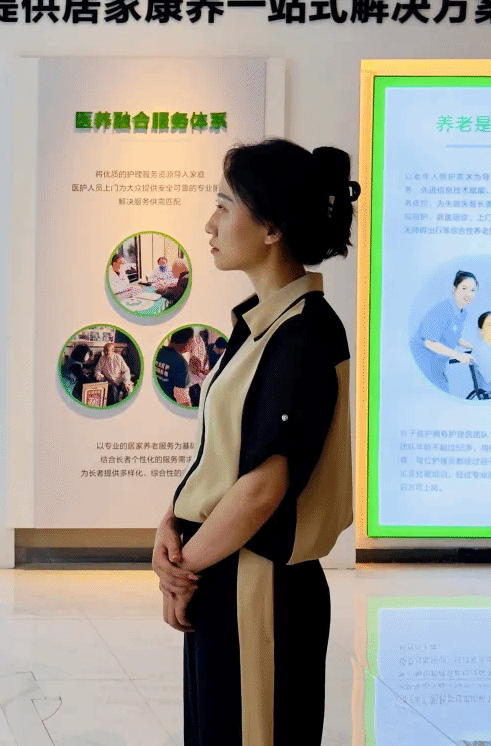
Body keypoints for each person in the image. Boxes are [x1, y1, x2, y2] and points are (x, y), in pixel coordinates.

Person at [152, 139, 357, 746]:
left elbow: (265, 486)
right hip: (223, 571)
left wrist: (182, 567)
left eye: (223, 205)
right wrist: (171, 526)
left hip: (256, 584)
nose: (209, 224)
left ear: (271, 228)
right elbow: (224, 455)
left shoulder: (304, 334)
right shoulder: (262, 324)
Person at [411, 271, 478, 393]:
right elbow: (430, 342)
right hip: (422, 362)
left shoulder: (462, 313)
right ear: (454, 289)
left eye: (473, 290)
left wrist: (474, 347)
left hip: (438, 364)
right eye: (464, 288)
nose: (469, 294)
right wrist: (458, 355)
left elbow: (453, 337)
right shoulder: (442, 310)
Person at [156, 327, 195, 407]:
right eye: (191, 342)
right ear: (188, 342)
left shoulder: (158, 353)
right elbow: (183, 401)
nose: (191, 346)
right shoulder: (180, 363)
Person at [95, 340, 133, 406]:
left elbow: (126, 370)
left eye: (108, 351)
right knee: (113, 392)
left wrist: (126, 381)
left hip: (120, 380)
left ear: (112, 351)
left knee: (129, 389)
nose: (106, 353)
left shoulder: (118, 358)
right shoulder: (102, 359)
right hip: (110, 382)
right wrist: (98, 374)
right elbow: (97, 370)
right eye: (104, 351)